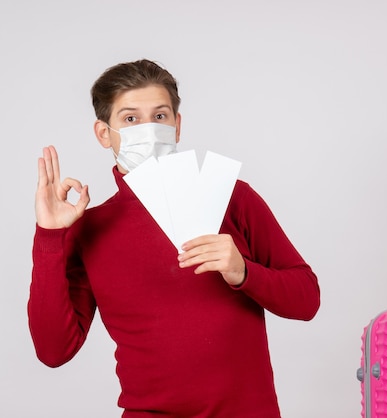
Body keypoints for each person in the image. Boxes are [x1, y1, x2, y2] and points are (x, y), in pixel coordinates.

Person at [28, 59, 320, 417]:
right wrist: (49, 236)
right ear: (104, 133)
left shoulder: (231, 196)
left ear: (177, 125)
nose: (148, 130)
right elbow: (54, 351)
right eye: (131, 119)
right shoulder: (91, 229)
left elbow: (307, 300)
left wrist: (243, 272)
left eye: (160, 116)